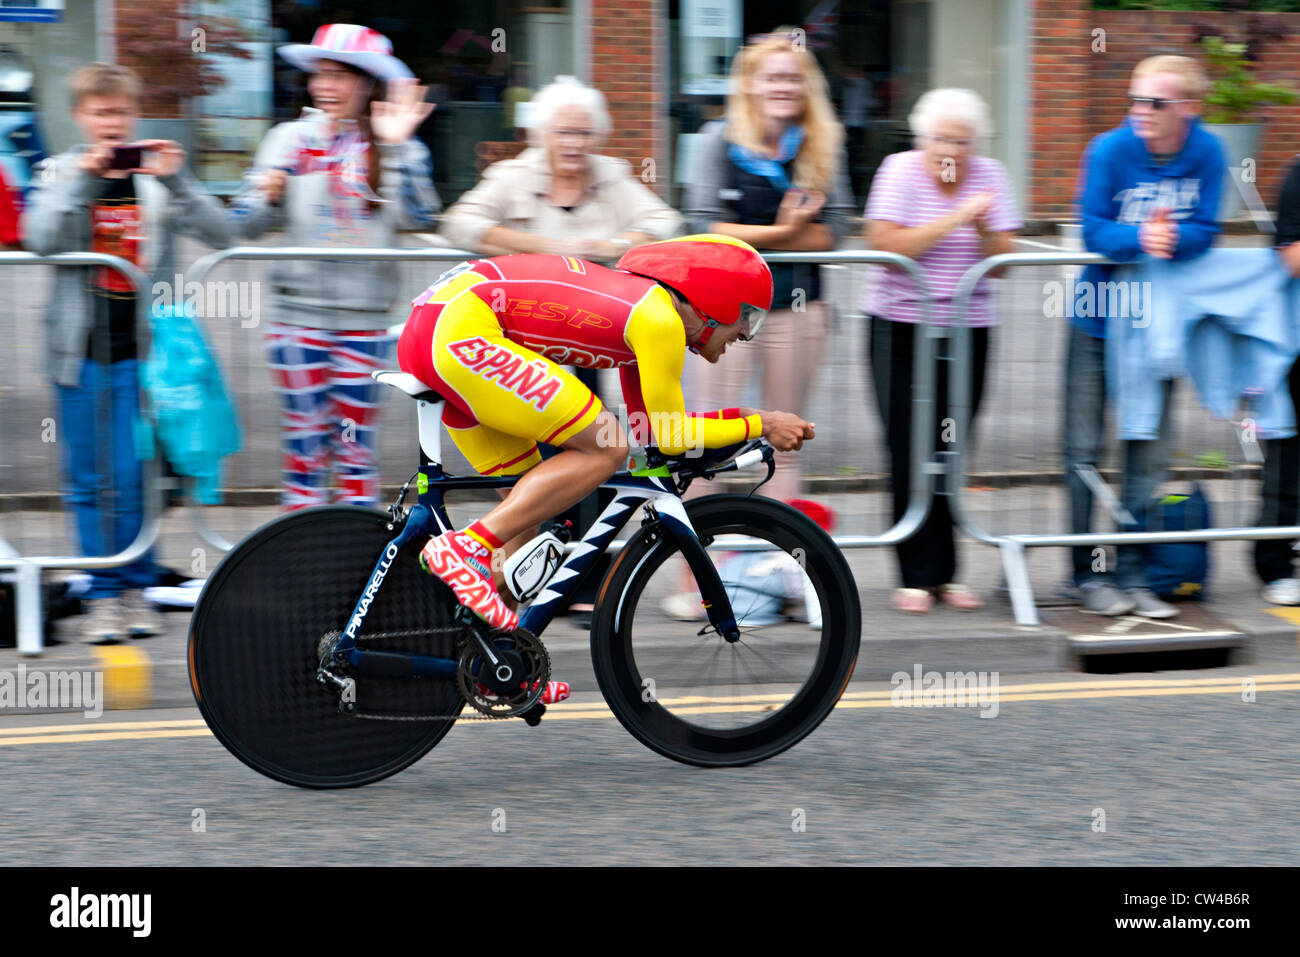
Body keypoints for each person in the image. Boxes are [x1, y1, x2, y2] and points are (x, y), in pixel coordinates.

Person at [397, 234, 814, 703]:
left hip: (437, 328)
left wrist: (732, 433)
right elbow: (672, 434)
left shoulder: (643, 314)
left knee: (528, 513)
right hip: (461, 329)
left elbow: (651, 432)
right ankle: (465, 548)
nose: (745, 335)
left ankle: (496, 665)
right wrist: (762, 422)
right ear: (714, 300)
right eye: (747, 319)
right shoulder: (658, 319)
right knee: (605, 449)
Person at [438, 74, 683, 622]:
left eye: (583, 132)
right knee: (560, 463)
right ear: (541, 133)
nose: (573, 144)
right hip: (510, 350)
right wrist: (542, 251)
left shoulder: (612, 177)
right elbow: (459, 222)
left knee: (591, 462)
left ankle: (574, 583)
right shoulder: (513, 176)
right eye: (563, 132)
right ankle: (505, 574)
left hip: (583, 345)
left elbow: (666, 224)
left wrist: (608, 248)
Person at [22, 62, 232, 642]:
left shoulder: (154, 178)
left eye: (119, 112)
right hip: (78, 352)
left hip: (146, 355)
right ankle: (104, 595)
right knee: (89, 479)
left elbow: (225, 235)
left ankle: (136, 587)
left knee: (136, 476)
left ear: (134, 116)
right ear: (79, 117)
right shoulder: (59, 171)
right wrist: (83, 178)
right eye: (99, 112)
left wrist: (181, 179)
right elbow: (38, 238)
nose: (111, 123)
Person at [231, 23, 441, 510]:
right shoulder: (289, 138)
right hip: (297, 319)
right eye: (318, 75)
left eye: (339, 75)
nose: (324, 86)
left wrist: (397, 147)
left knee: (354, 454)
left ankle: (354, 573)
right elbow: (243, 225)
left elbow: (420, 216)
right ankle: (303, 571)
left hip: (366, 326)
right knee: (304, 454)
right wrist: (265, 192)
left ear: (366, 84)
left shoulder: (394, 144)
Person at [1070, 55, 1224, 618]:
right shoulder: (1109, 150)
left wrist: (1174, 238)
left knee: (1146, 451)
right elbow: (1090, 227)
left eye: (1154, 103)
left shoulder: (1208, 151)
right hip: (1098, 316)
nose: (1140, 112)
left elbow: (1207, 229)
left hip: (1158, 324)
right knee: (1083, 450)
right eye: (1134, 100)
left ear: (1188, 109)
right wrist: (1141, 236)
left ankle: (1132, 573)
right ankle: (1083, 573)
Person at [862, 87, 1020, 614]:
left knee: (951, 450)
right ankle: (913, 574)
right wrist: (957, 218)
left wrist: (981, 224)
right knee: (907, 445)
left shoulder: (991, 174)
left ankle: (948, 574)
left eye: (962, 141)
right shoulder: (898, 170)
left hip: (968, 327)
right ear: (921, 138)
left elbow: (1004, 262)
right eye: (940, 139)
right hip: (899, 326)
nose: (950, 150)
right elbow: (885, 248)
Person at [683, 28, 854, 506]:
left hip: (796, 309)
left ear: (807, 88)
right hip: (721, 314)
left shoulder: (823, 143)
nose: (783, 86)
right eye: (772, 77)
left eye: (794, 78)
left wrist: (772, 236)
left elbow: (838, 228)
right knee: (707, 439)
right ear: (750, 85)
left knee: (788, 437)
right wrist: (783, 233)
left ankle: (786, 565)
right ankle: (690, 576)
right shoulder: (717, 141)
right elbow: (701, 227)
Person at [1254, 155, 1300, 604]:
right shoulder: (1298, 173)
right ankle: (1276, 564)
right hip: (1294, 337)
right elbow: (1291, 255)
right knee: (1287, 455)